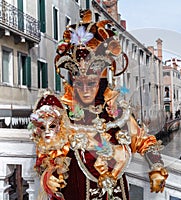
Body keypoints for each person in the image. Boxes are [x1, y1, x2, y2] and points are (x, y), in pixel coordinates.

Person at [29, 9, 168, 200]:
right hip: (75, 192)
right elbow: (47, 153)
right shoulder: (62, 112)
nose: (85, 90)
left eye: (91, 83)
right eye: (80, 83)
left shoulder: (116, 112)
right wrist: (49, 177)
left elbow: (144, 140)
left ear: (101, 82)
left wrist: (157, 166)